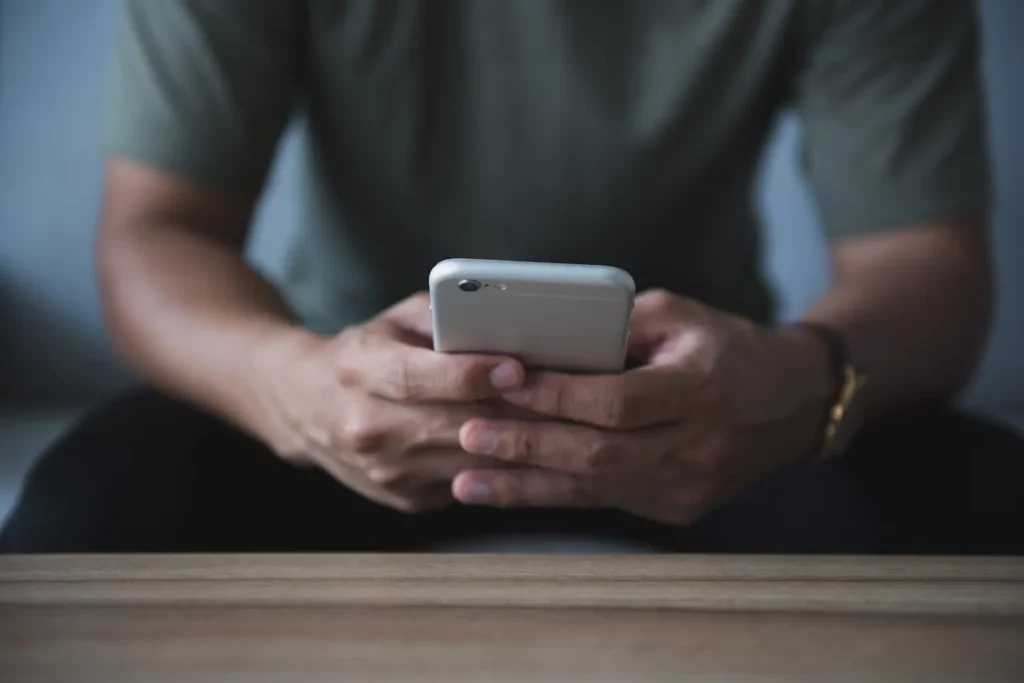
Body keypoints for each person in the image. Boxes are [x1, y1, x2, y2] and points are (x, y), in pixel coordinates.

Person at [3, 0, 1022, 554]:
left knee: (987, 510)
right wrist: (294, 387)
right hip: (335, 399)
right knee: (79, 526)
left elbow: (922, 265)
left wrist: (797, 382)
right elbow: (153, 232)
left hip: (716, 414)